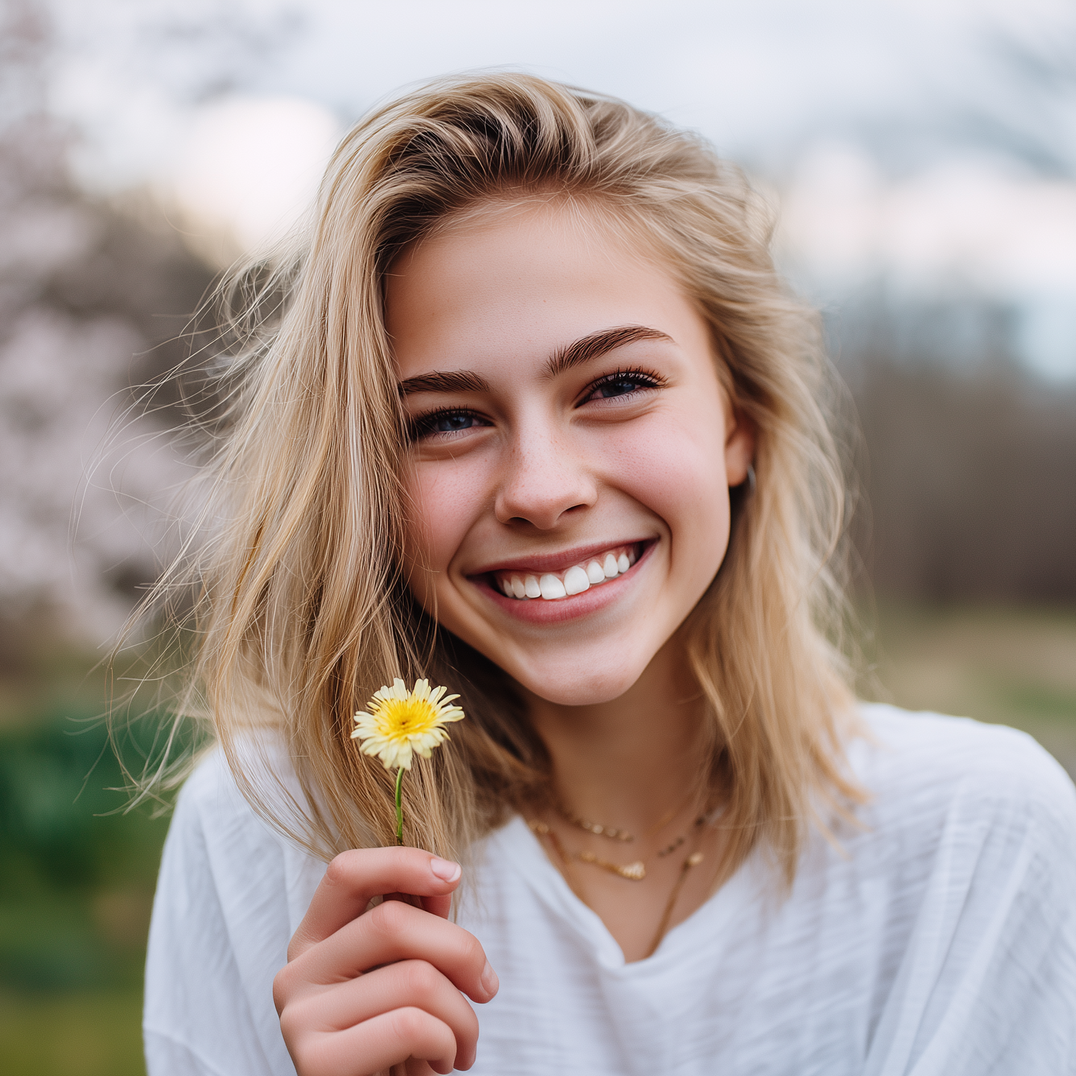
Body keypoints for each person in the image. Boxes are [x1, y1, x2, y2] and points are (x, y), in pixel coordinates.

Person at [142, 74, 1076, 1076]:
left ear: (738, 420)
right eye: (446, 419)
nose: (540, 490)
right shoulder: (261, 838)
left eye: (615, 385)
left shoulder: (976, 839)